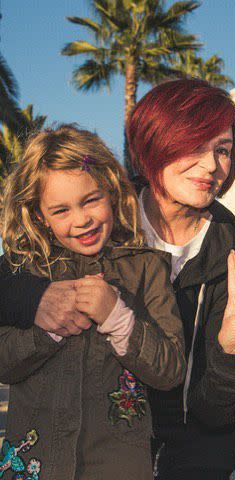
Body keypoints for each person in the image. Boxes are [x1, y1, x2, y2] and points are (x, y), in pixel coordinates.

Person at [0, 78, 235, 479]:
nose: (211, 165)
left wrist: (232, 355)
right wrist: (38, 297)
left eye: (223, 150)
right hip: (77, 451)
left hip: (187, 454)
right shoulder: (95, 211)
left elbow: (214, 411)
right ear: (154, 143)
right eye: (195, 146)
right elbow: (13, 277)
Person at [0, 125, 187, 479]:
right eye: (61, 210)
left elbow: (171, 370)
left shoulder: (146, 267)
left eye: (90, 200)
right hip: (34, 462)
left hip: (118, 465)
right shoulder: (21, 272)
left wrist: (119, 318)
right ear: (40, 215)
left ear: (111, 192)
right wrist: (48, 332)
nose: (81, 219)